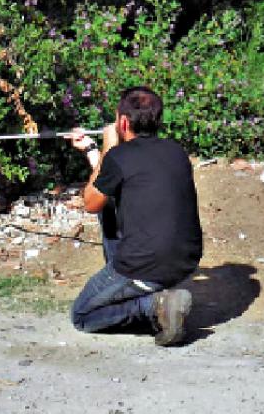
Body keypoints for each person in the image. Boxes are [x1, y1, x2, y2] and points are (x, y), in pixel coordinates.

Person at [65, 86, 203, 346]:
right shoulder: (175, 151)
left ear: (123, 121)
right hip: (184, 262)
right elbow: (113, 180)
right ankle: (155, 299)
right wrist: (92, 149)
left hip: (143, 266)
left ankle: (153, 306)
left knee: (82, 315)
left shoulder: (118, 155)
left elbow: (91, 202)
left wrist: (108, 146)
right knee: (111, 203)